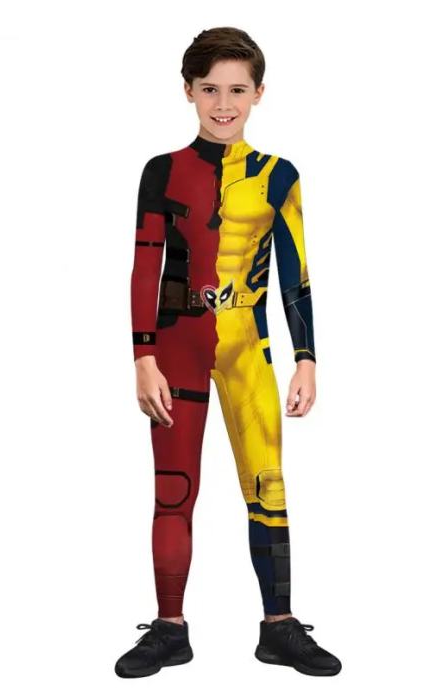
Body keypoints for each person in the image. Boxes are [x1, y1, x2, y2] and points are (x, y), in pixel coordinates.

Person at [115, 27, 341, 678]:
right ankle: (169, 629)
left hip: (248, 347)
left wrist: (306, 357)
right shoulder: (162, 171)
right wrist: (143, 356)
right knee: (173, 489)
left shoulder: (279, 176)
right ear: (188, 91)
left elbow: (296, 271)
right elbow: (146, 266)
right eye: (210, 89)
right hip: (177, 348)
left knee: (268, 485)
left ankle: (279, 628)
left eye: (237, 90)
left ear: (258, 94)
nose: (223, 104)